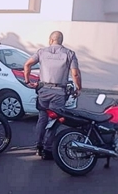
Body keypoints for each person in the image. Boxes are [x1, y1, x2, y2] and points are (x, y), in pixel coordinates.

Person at [23, 31, 82, 160]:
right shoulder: (69, 54)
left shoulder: (41, 52)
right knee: (54, 120)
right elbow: (75, 74)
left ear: (51, 40)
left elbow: (27, 64)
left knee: (42, 118)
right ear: (61, 41)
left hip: (43, 91)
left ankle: (38, 146)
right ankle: (47, 149)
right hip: (59, 92)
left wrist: (28, 81)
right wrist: (78, 88)